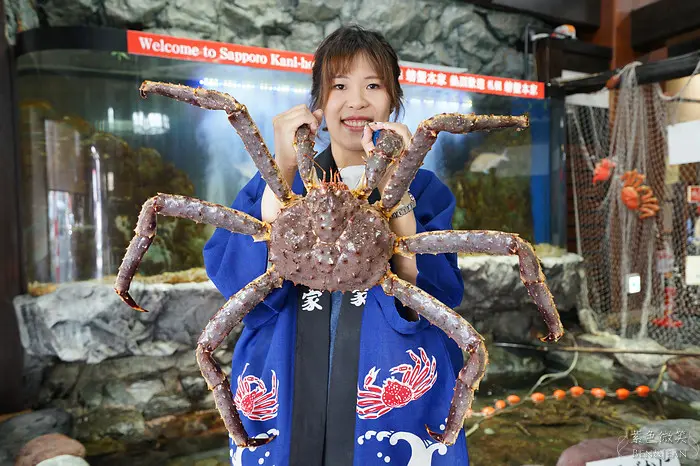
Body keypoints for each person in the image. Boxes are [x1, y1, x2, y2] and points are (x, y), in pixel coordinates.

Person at [203, 25, 470, 466]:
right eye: (339, 86)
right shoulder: (278, 185)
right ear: (318, 103)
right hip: (285, 386)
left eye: (373, 86)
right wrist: (281, 166)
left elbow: (437, 296)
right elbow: (235, 281)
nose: (357, 101)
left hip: (390, 391)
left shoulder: (425, 191)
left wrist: (398, 187)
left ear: (394, 100)